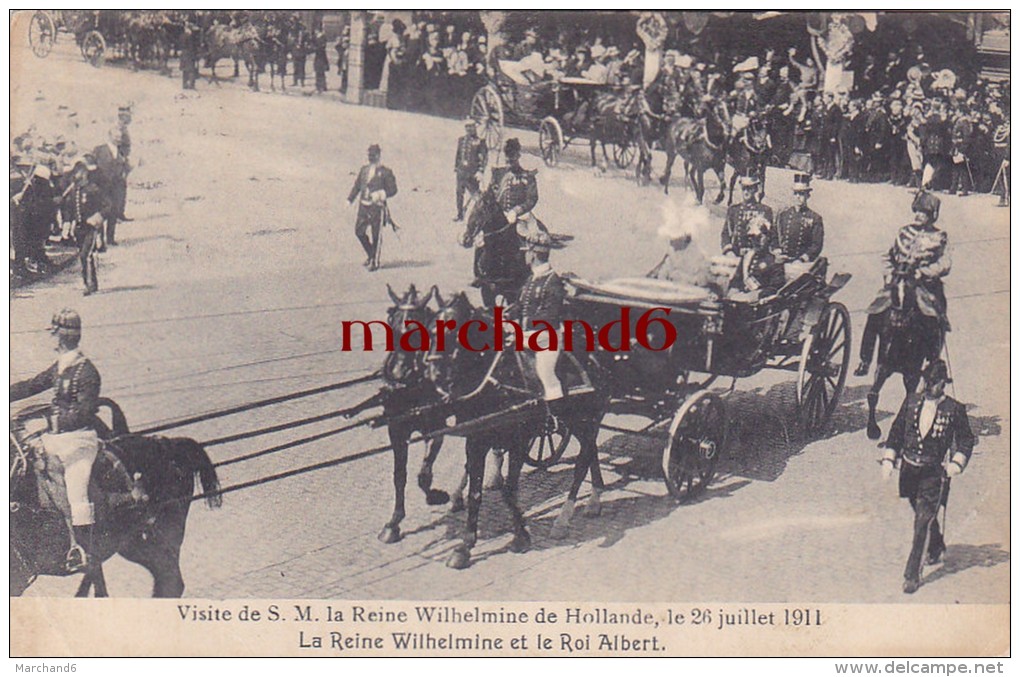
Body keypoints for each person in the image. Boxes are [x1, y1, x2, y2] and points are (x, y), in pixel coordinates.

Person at [10, 309, 102, 573]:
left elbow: (84, 413)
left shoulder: (87, 372)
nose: (57, 340)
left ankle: (81, 549)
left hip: (80, 441)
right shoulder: (60, 366)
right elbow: (31, 385)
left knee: (76, 492)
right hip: (55, 439)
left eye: (58, 335)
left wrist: (49, 423)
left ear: (63, 338)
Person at [881, 359, 974, 594]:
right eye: (927, 381)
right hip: (909, 472)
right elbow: (896, 430)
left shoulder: (954, 409)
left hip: (934, 474)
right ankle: (935, 544)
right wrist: (889, 458)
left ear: (943, 383)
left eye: (933, 383)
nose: (928, 386)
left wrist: (956, 463)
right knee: (921, 513)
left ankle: (911, 575)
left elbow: (966, 440)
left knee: (921, 521)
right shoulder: (911, 401)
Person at [856, 190, 950, 377]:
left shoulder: (940, 236)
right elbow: (887, 255)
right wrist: (889, 273)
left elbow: (945, 264)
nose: (918, 215)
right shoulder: (904, 231)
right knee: (874, 312)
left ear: (931, 216)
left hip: (924, 285)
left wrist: (923, 272)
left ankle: (932, 359)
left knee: (933, 318)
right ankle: (865, 360)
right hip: (898, 280)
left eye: (923, 212)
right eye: (917, 211)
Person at [517, 230, 567, 408]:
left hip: (547, 336)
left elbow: (550, 314)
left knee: (545, 373)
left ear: (533, 255)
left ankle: (556, 411)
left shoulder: (553, 281)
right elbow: (520, 305)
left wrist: (523, 329)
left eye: (526, 252)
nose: (524, 256)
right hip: (528, 334)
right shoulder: (531, 279)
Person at [347, 144, 397, 272]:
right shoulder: (364, 170)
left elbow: (393, 190)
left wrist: (381, 194)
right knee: (359, 231)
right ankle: (370, 254)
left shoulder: (386, 172)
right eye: (369, 155)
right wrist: (349, 199)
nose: (371, 157)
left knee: (376, 235)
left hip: (377, 207)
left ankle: (375, 260)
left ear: (379, 156)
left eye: (373, 155)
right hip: (363, 206)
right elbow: (357, 186)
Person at [68, 157, 108, 295]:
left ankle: (89, 284)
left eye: (79, 172)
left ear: (85, 173)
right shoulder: (74, 191)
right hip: (79, 229)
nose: (77, 175)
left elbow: (108, 205)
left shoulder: (93, 189)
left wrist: (98, 216)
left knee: (87, 254)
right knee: (82, 256)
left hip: (91, 228)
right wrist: (68, 223)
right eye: (75, 172)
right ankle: (90, 282)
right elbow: (70, 208)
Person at [647, 211, 711, 288]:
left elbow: (702, 281)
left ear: (684, 238)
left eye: (675, 236)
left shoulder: (699, 257)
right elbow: (662, 273)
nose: (671, 241)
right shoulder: (672, 253)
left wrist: (680, 277)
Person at [774, 173, 824, 262]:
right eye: (796, 193)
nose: (798, 197)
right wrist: (777, 251)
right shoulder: (784, 215)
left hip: (802, 262)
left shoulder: (815, 218)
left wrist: (803, 258)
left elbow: (816, 245)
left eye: (801, 194)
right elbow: (775, 236)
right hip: (782, 258)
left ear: (808, 195)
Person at [90, 128, 127, 248]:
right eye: (116, 136)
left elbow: (124, 167)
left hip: (116, 187)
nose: (118, 139)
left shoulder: (121, 151)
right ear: (110, 136)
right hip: (102, 186)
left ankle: (110, 238)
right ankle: (99, 239)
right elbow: (92, 167)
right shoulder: (99, 150)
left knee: (114, 212)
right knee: (102, 210)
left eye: (120, 137)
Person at [721, 175, 774, 256]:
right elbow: (726, 233)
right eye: (744, 188)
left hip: (757, 257)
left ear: (755, 189)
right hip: (736, 255)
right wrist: (729, 251)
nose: (746, 192)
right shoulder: (734, 210)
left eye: (749, 189)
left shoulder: (765, 210)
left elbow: (768, 236)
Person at [453, 119, 488, 222]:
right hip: (461, 172)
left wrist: (480, 171)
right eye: (467, 127)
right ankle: (460, 214)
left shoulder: (480, 141)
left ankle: (478, 217)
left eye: (471, 126)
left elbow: (483, 158)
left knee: (476, 195)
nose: (469, 129)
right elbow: (458, 155)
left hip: (472, 173)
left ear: (475, 128)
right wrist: (456, 167)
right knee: (459, 193)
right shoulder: (461, 140)